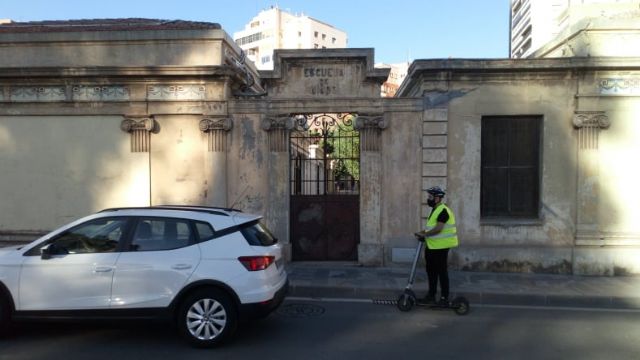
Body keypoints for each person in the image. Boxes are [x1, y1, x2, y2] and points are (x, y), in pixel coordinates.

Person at [414, 186, 458, 306]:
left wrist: (425, 234)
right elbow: (431, 228)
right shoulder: (434, 209)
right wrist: (422, 232)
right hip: (432, 246)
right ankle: (431, 295)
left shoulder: (443, 210)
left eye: (430, 197)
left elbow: (438, 228)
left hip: (441, 247)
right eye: (428, 196)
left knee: (441, 272)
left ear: (437, 198)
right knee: (431, 271)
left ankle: (444, 298)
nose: (428, 199)